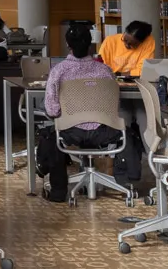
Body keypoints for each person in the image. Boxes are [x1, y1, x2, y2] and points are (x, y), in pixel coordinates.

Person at [37, 21, 119, 203]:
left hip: (72, 132)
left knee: (51, 134)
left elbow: (52, 109)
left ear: (68, 45)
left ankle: (59, 191)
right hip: (104, 132)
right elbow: (114, 106)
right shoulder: (105, 71)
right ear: (91, 44)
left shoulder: (58, 72)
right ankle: (125, 180)